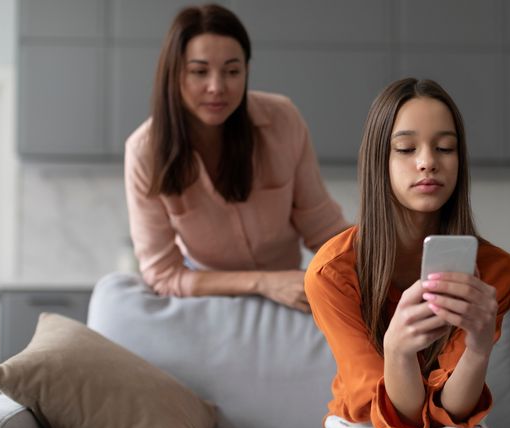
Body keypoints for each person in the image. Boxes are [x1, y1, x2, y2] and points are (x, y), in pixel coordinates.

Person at [304, 78, 510, 428]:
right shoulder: (332, 271)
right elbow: (392, 418)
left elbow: (454, 411)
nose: (427, 161)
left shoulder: (494, 271)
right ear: (378, 160)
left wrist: (478, 348)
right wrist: (398, 350)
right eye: (406, 148)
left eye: (445, 148)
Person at [124, 4, 348, 311]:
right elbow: (163, 274)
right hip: (208, 301)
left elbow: (323, 228)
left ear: (246, 71)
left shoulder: (282, 120)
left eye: (232, 71)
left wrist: (379, 269)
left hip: (287, 303)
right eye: (200, 72)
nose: (217, 87)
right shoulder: (144, 153)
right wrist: (264, 282)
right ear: (174, 74)